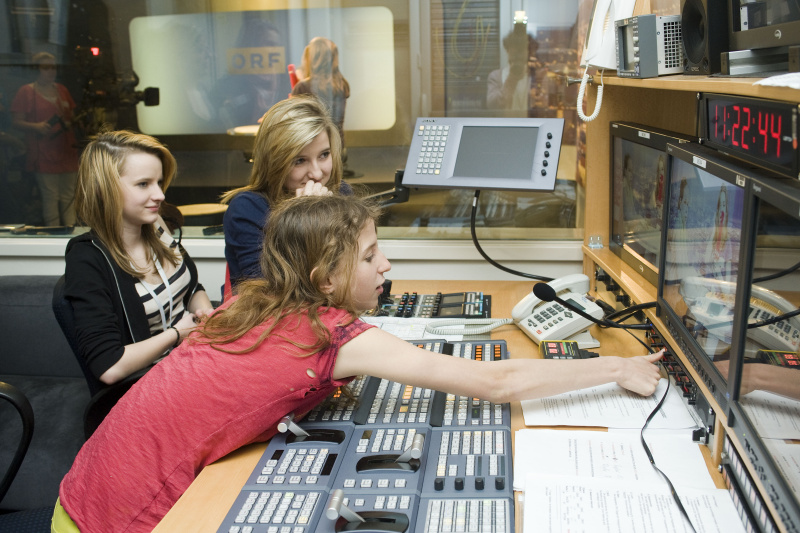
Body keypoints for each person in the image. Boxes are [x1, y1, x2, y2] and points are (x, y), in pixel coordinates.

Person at [53, 194, 664, 532]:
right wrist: (617, 368)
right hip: (112, 519)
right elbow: (494, 380)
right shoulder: (328, 334)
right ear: (325, 278)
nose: (387, 267)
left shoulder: (255, 299)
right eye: (371, 255)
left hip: (80, 487)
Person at [63, 130, 214, 386]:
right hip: (147, 384)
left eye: (159, 182)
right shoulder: (87, 258)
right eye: (144, 184)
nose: (160, 195)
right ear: (105, 190)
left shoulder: (156, 224)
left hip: (192, 359)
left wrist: (206, 313)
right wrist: (177, 334)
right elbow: (108, 366)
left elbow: (190, 290)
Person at [221, 95, 352, 286]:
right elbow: (267, 295)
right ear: (274, 162)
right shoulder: (248, 209)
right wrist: (307, 220)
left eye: (324, 155)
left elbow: (354, 273)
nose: (317, 173)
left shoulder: (342, 193)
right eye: (300, 161)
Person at [10, 51, 80, 226]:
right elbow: (16, 122)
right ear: (36, 70)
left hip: (66, 149)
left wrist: (71, 122)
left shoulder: (62, 90)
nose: (51, 71)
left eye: (53, 67)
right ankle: (54, 234)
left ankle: (70, 232)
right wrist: (36, 126)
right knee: (50, 196)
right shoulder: (26, 91)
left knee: (69, 195)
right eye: (46, 68)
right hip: (43, 152)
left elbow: (72, 116)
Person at [291, 37, 350, 146]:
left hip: (314, 150)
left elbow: (294, 121)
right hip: (338, 147)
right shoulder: (342, 84)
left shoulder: (302, 87)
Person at [486, 26, 539, 114]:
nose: (518, 53)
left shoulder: (536, 76)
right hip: (506, 126)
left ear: (529, 52)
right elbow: (492, 106)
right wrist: (511, 79)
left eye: (522, 48)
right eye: (515, 47)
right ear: (507, 50)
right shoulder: (495, 76)